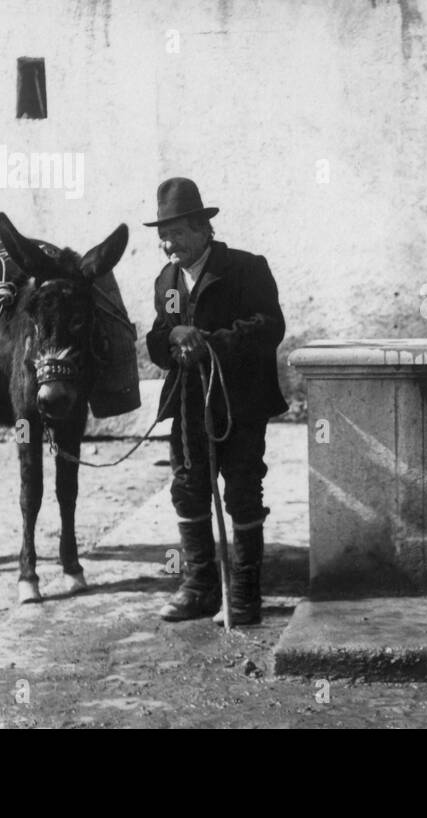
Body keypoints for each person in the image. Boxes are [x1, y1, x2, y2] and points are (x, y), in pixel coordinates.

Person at [145, 177, 288, 624]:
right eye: (163, 236)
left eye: (177, 233)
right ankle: (199, 587)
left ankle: (243, 594)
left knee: (243, 491)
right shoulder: (168, 280)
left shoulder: (244, 268)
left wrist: (210, 343)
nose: (169, 245)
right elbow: (157, 340)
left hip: (239, 403)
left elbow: (269, 326)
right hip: (188, 405)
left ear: (203, 229)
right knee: (188, 491)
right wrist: (174, 333)